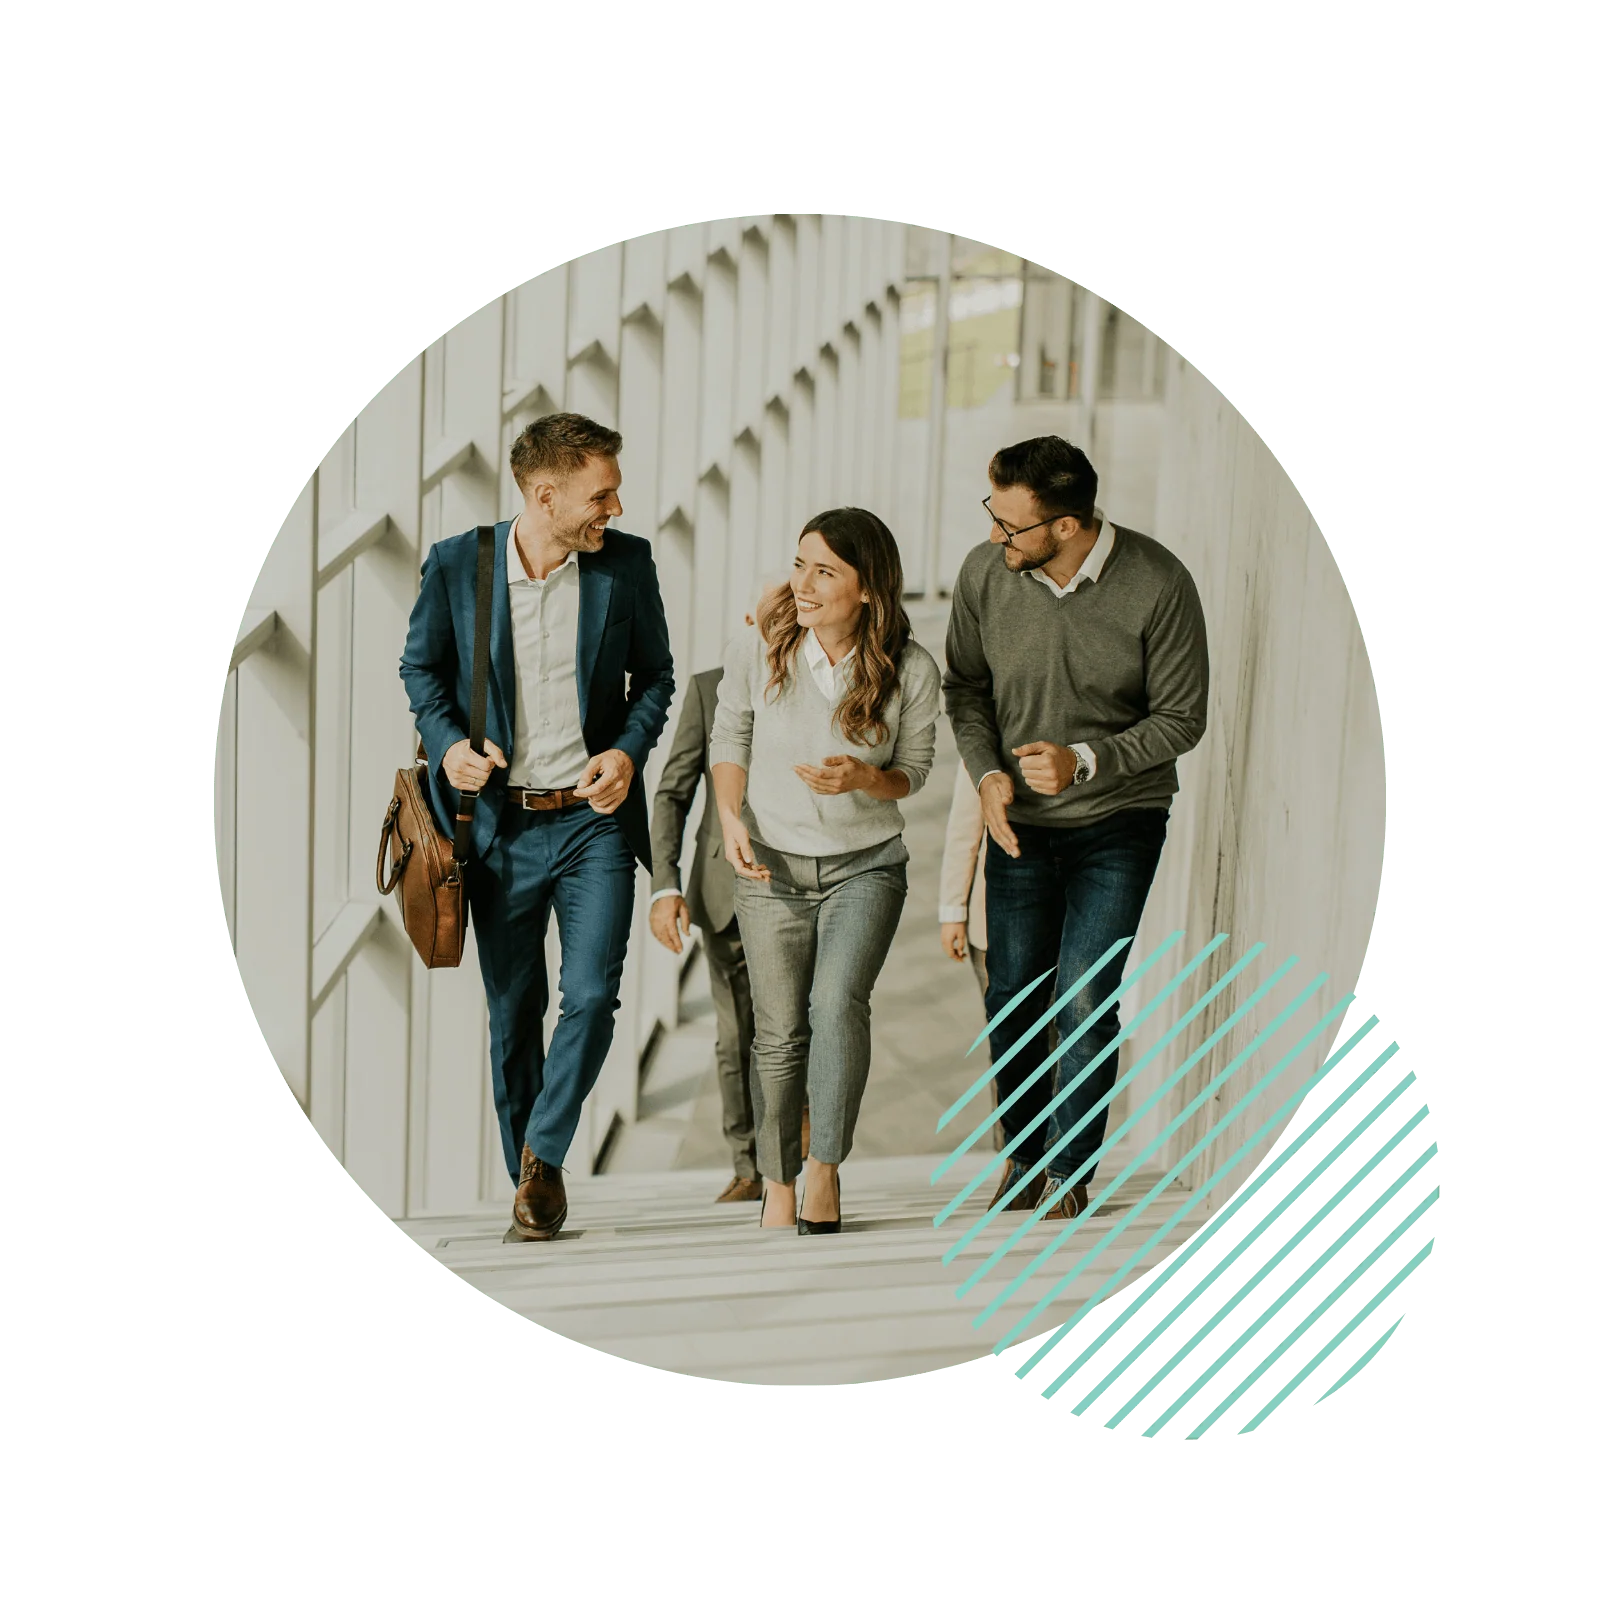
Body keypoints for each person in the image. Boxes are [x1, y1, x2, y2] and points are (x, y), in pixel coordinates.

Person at [399, 412, 674, 1242]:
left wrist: (627, 752)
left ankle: (544, 1156)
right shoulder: (459, 565)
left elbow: (655, 677)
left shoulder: (626, 566)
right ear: (545, 494)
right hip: (499, 830)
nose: (615, 508)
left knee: (589, 994)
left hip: (592, 823)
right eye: (602, 493)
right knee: (513, 1011)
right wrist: (448, 749)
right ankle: (530, 1175)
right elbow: (421, 667)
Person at [944, 436, 1208, 1222]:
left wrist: (1087, 761)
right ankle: (1021, 1161)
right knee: (1013, 997)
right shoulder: (984, 574)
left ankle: (1069, 1173)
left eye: (1012, 525)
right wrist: (989, 773)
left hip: (1118, 822)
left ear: (1066, 526)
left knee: (1085, 993)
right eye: (992, 516)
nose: (996, 537)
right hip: (1018, 825)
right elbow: (965, 690)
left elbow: (1182, 718)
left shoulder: (1158, 585)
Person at [710, 509, 940, 1233]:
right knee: (778, 1031)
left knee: (836, 1005)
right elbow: (730, 731)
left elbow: (916, 772)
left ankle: (825, 1172)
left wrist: (865, 781)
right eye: (799, 563)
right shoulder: (762, 648)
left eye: (824, 571)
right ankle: (779, 1183)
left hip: (865, 867)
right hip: (771, 868)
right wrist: (731, 817)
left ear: (868, 588)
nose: (802, 584)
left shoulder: (911, 669)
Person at [647, 665, 766, 1202]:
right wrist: (664, 884)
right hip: (723, 892)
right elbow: (671, 792)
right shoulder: (707, 689)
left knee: (808, 1025)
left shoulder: (824, 678)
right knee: (735, 1036)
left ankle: (802, 1157)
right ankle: (748, 1166)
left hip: (807, 887)